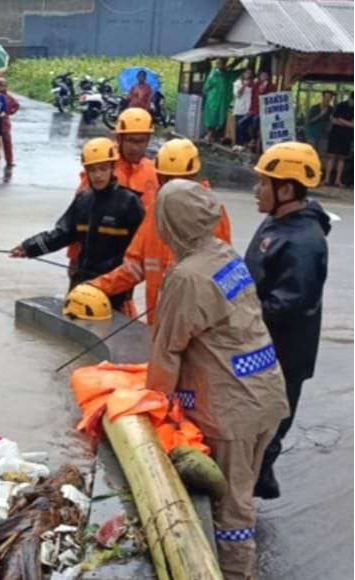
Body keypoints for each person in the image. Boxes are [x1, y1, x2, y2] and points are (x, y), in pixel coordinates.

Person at [146, 179, 288, 580]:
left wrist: (154, 410)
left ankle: (234, 572)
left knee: (231, 507)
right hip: (264, 393)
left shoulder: (188, 276)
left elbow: (167, 350)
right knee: (240, 494)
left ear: (170, 223)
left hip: (231, 409)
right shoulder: (224, 253)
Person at [245, 142, 330, 500]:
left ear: (286, 189)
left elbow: (288, 305)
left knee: (268, 425)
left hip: (283, 355)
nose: (256, 189)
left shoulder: (304, 243)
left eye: (263, 183)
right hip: (260, 346)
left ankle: (255, 484)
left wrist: (240, 315)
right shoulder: (277, 221)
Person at [88, 139, 232, 325]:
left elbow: (222, 278)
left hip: (197, 329)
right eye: (165, 180)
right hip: (158, 327)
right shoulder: (155, 213)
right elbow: (133, 268)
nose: (171, 187)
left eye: (178, 181)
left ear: (193, 178)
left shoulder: (213, 214)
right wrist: (95, 287)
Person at [10, 138, 145, 311]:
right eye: (92, 170)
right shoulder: (84, 200)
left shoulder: (129, 202)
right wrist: (29, 247)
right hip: (83, 280)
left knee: (110, 332)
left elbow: (140, 249)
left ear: (113, 168)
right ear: (86, 171)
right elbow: (62, 234)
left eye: (103, 169)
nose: (98, 175)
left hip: (115, 285)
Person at [68, 108, 159, 315]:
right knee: (84, 310)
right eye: (131, 141)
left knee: (118, 311)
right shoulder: (103, 167)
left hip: (129, 260)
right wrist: (74, 258)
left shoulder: (152, 173)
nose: (137, 147)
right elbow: (79, 216)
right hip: (96, 258)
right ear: (119, 138)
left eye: (142, 141)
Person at [201, 59, 240, 144]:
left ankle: (212, 135)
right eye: (219, 64)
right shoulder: (214, 74)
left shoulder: (226, 74)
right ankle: (210, 135)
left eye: (222, 64)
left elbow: (235, 74)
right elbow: (206, 88)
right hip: (213, 101)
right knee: (211, 118)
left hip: (220, 102)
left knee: (218, 118)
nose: (221, 65)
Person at [324, 92, 353, 187]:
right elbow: (333, 120)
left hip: (347, 136)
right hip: (336, 134)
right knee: (331, 156)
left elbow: (351, 124)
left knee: (341, 158)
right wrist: (348, 123)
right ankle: (327, 179)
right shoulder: (341, 105)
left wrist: (342, 120)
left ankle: (337, 180)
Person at [303, 90, 333, 158]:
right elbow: (308, 121)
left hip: (323, 134)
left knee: (323, 153)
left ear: (331, 98)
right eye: (326, 97)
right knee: (311, 153)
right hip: (312, 134)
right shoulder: (314, 108)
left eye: (329, 97)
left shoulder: (331, 109)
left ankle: (320, 168)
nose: (327, 99)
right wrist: (320, 115)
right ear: (323, 97)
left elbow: (331, 121)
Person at [249, 71, 274, 150]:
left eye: (265, 76)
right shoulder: (256, 85)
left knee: (256, 121)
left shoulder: (271, 86)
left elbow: (272, 97)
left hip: (264, 110)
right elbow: (252, 97)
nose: (263, 77)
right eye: (262, 75)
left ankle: (255, 140)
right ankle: (250, 139)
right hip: (254, 108)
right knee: (242, 122)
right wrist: (250, 109)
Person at [0, 77, 20, 167]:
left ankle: (9, 160)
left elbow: (16, 105)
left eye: (3, 85)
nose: (1, 87)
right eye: (0, 84)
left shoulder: (9, 97)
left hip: (5, 122)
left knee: (7, 141)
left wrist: (11, 112)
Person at [232, 69, 254, 147]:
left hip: (248, 109)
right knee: (238, 126)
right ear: (243, 74)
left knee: (245, 127)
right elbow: (238, 94)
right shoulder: (237, 83)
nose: (248, 74)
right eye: (247, 72)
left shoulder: (253, 84)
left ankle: (244, 143)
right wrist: (244, 85)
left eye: (250, 73)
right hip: (239, 108)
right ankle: (238, 143)